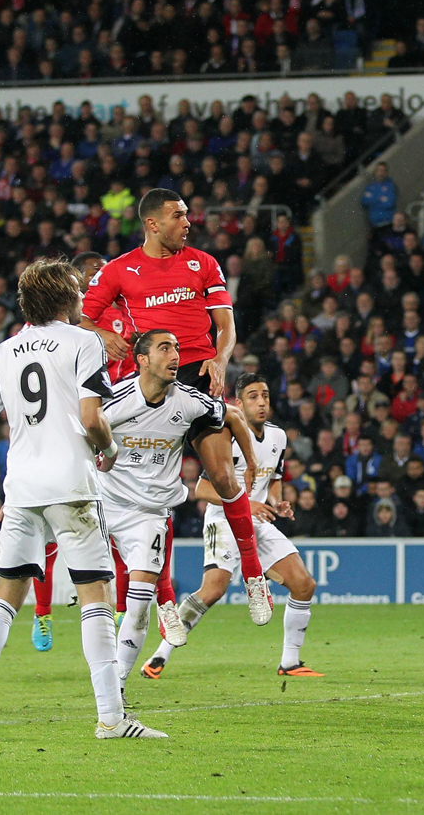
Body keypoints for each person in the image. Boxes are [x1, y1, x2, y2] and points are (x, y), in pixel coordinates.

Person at [0, 259, 163, 739]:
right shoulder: (84, 342)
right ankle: (110, 718)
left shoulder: (1, 352)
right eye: (80, 292)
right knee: (96, 595)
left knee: (7, 594)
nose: (85, 298)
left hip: (21, 488)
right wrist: (109, 449)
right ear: (68, 299)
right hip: (71, 487)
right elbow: (91, 416)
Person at [78, 188, 273, 626]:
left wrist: (220, 359)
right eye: (177, 216)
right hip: (146, 385)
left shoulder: (203, 263)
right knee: (151, 496)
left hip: (197, 377)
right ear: (152, 223)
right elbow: (79, 316)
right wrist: (101, 335)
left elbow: (225, 324)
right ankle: (163, 599)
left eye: (187, 215)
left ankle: (254, 577)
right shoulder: (118, 270)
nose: (187, 223)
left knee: (224, 476)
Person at [97, 329, 256, 696]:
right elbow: (76, 433)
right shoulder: (113, 400)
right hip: (104, 506)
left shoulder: (188, 401)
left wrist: (250, 460)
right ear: (142, 359)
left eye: (178, 348)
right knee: (30, 555)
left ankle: (115, 688)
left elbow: (232, 415)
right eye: (164, 348)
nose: (175, 355)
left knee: (137, 609)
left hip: (149, 517)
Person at [144, 372, 324, 679]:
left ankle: (290, 662)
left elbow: (274, 479)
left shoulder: (279, 437)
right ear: (237, 403)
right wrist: (246, 503)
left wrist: (277, 502)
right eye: (253, 397)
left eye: (265, 395)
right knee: (213, 590)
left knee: (304, 584)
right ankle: (159, 655)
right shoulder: (224, 436)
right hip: (223, 518)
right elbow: (200, 488)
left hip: (258, 521)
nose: (261, 402)